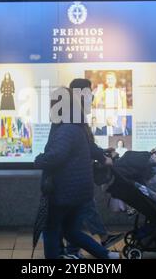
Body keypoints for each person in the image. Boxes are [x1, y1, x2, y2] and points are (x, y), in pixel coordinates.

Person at [35, 84, 119, 259]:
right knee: (72, 232)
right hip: (79, 190)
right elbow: (89, 148)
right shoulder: (77, 125)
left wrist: (39, 160)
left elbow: (56, 155)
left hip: (64, 189)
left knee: (51, 229)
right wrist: (103, 157)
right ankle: (107, 256)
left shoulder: (65, 128)